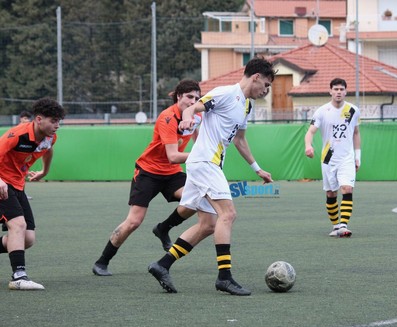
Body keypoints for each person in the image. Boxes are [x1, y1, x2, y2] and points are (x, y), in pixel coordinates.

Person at [147, 57, 276, 296]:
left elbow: (239, 140)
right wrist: (187, 117)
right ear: (256, 77)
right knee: (228, 214)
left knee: (207, 225)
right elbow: (193, 107)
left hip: (208, 164)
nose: (266, 91)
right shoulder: (226, 93)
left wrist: (256, 168)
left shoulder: (246, 106)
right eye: (266, 84)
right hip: (205, 162)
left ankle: (161, 265)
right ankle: (224, 278)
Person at [92, 80, 202, 276]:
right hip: (148, 172)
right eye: (189, 97)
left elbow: (198, 141)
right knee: (134, 221)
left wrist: (204, 150)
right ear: (179, 97)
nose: (193, 101)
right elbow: (173, 156)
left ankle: (163, 228)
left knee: (194, 199)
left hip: (172, 173)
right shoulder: (167, 118)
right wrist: (205, 157)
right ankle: (102, 261)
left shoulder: (197, 116)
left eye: (196, 98)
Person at [0, 97, 65, 290]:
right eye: (53, 121)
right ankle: (19, 276)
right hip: (3, 183)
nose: (57, 126)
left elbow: (48, 150)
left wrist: (45, 171)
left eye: (59, 121)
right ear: (38, 119)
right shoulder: (16, 135)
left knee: (27, 239)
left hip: (18, 185)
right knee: (18, 225)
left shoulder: (50, 137)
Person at [304, 78, 361, 238]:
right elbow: (310, 132)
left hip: (347, 158)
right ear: (330, 91)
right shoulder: (322, 111)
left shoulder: (353, 110)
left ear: (345, 91)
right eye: (335, 89)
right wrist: (308, 145)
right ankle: (336, 225)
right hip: (328, 158)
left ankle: (343, 225)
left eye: (341, 89)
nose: (338, 92)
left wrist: (358, 156)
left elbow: (356, 133)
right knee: (331, 193)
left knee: (347, 189)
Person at [1, 111, 34, 233]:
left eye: (27, 118)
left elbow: (21, 159)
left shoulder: (37, 137)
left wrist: (29, 170)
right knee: (17, 224)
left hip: (15, 178)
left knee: (27, 235)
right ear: (20, 119)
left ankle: (8, 222)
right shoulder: (16, 133)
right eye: (24, 118)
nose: (26, 121)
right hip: (5, 177)